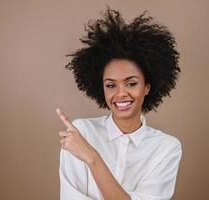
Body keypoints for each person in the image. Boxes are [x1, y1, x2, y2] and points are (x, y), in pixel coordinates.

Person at [57, 6, 182, 200]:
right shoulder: (81, 133)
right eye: (110, 85)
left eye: (131, 83)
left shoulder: (166, 148)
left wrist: (92, 158)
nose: (120, 94)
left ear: (147, 87)